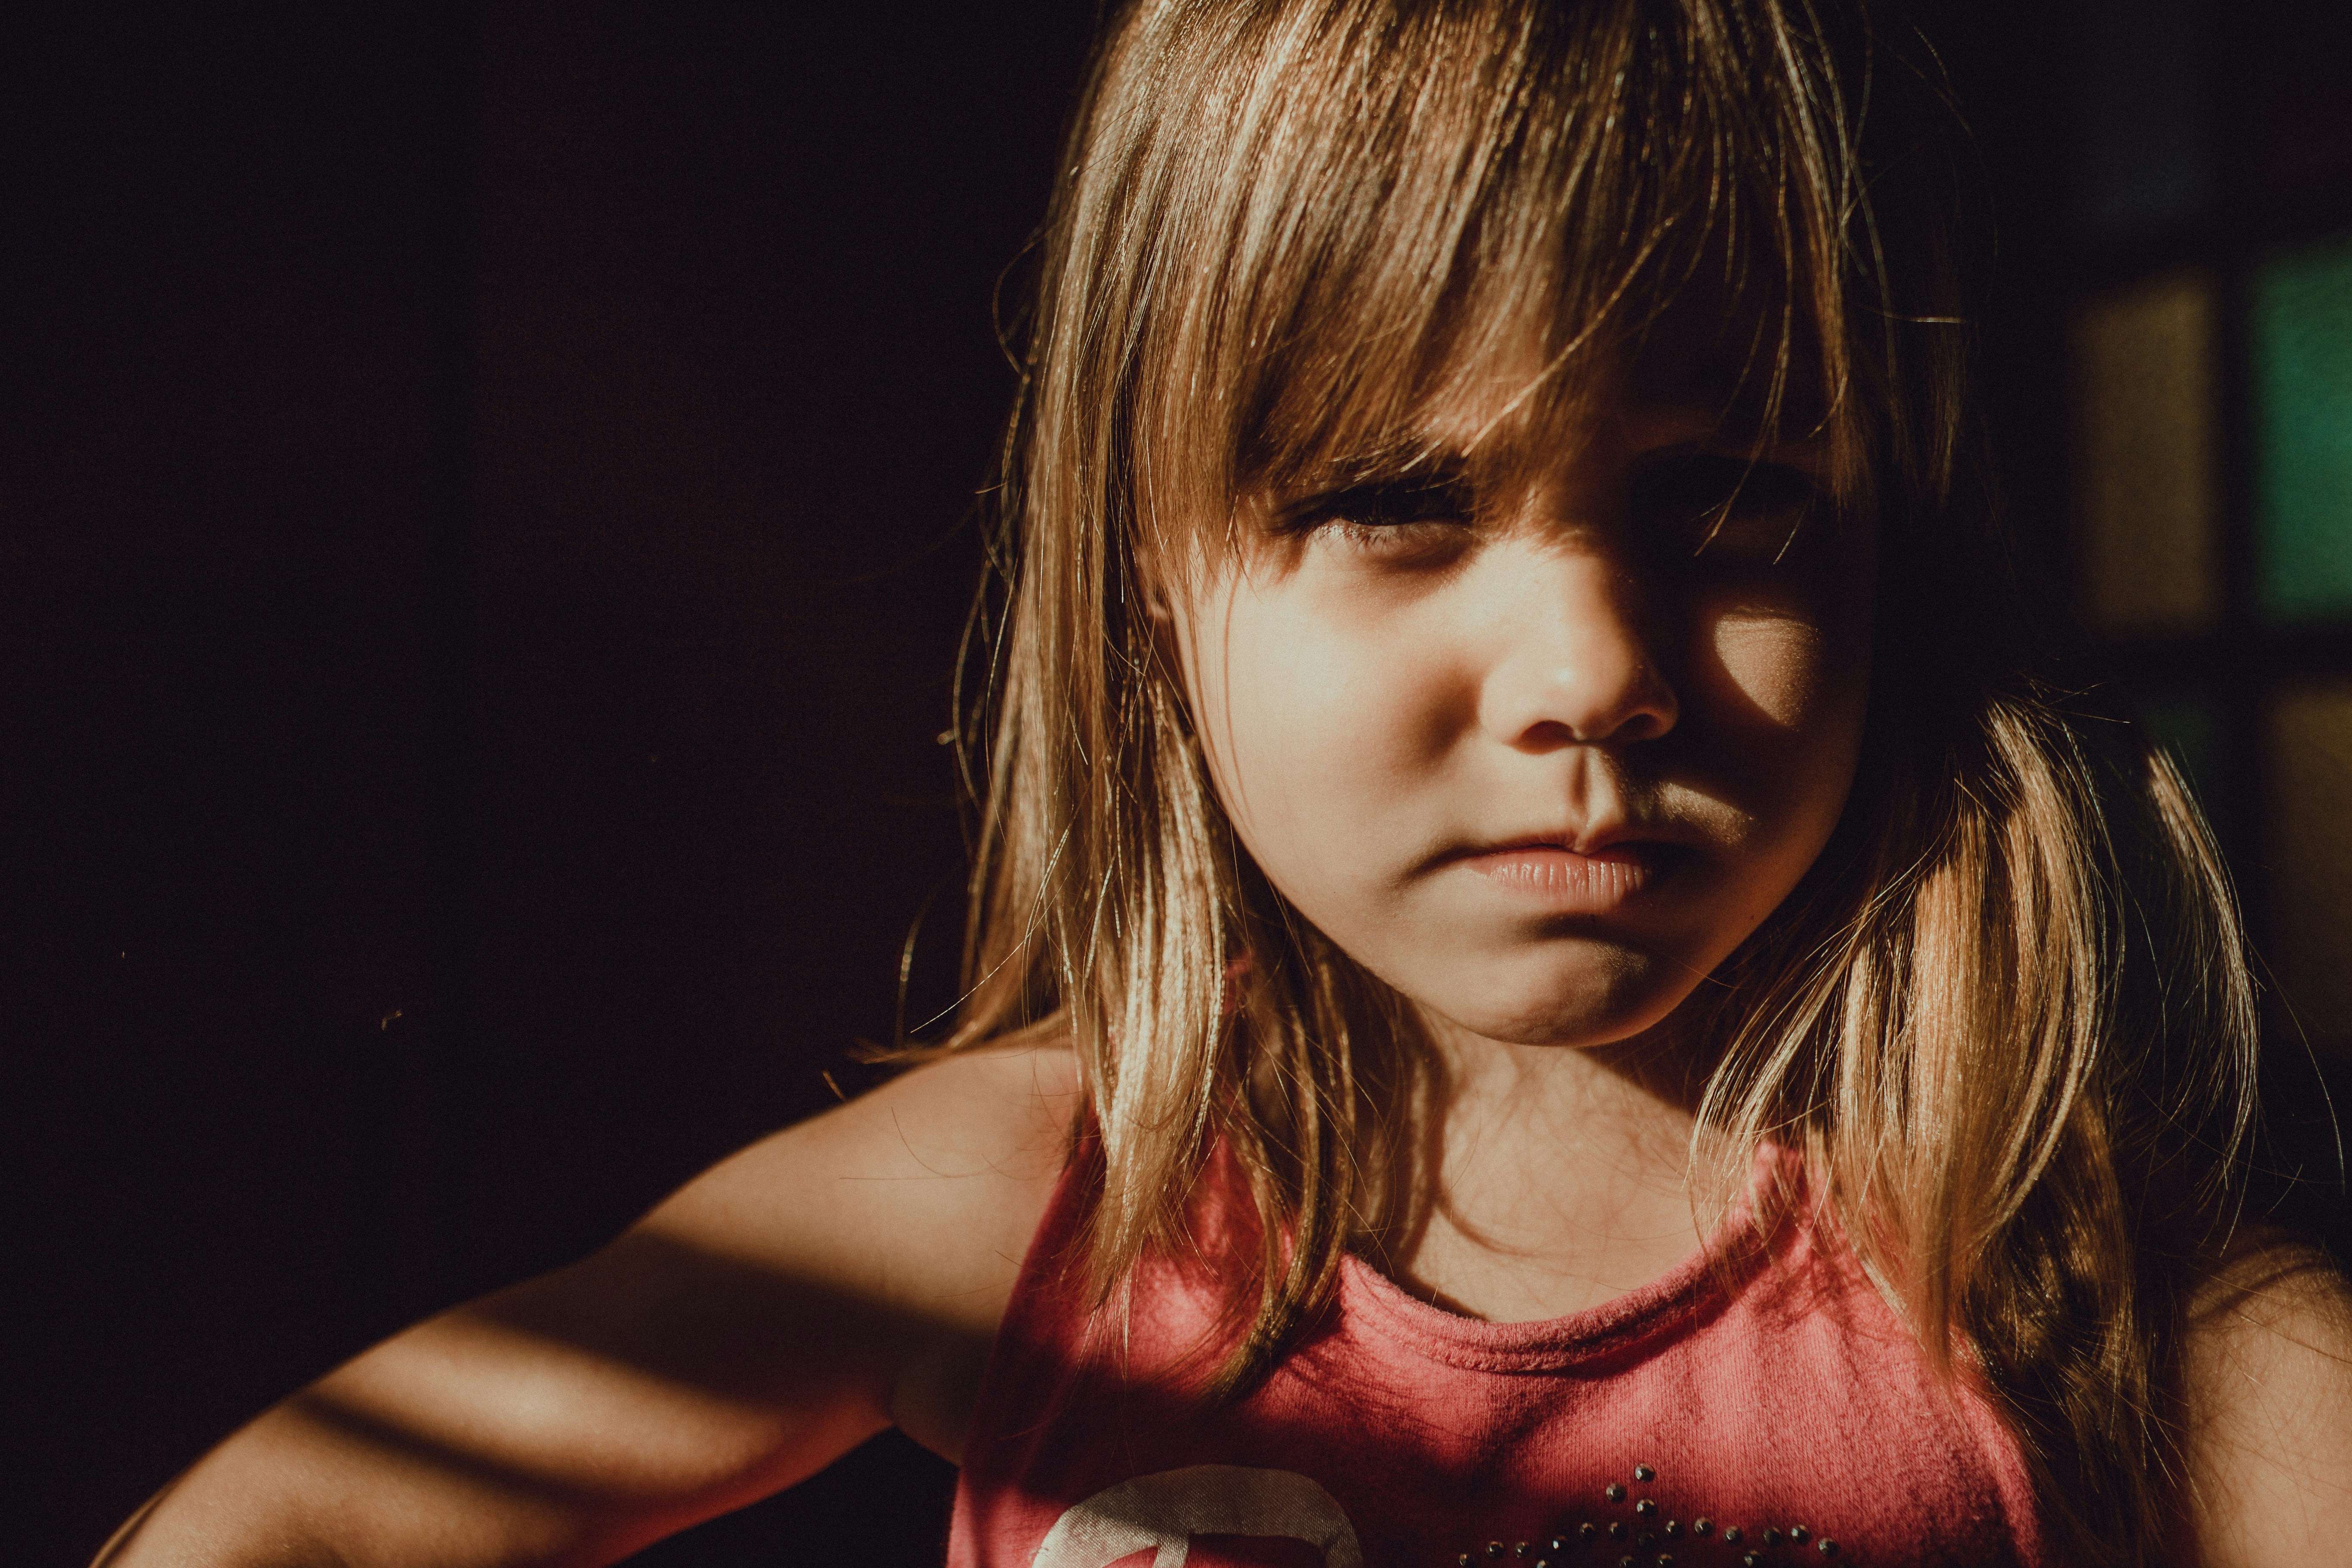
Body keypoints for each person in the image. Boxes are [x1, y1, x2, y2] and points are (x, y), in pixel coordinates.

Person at [98, 0, 2352, 1564]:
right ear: (1151, 577)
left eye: (1734, 502)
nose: (1591, 673)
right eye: (1395, 497)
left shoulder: (2081, 1288)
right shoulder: (1029, 1215)